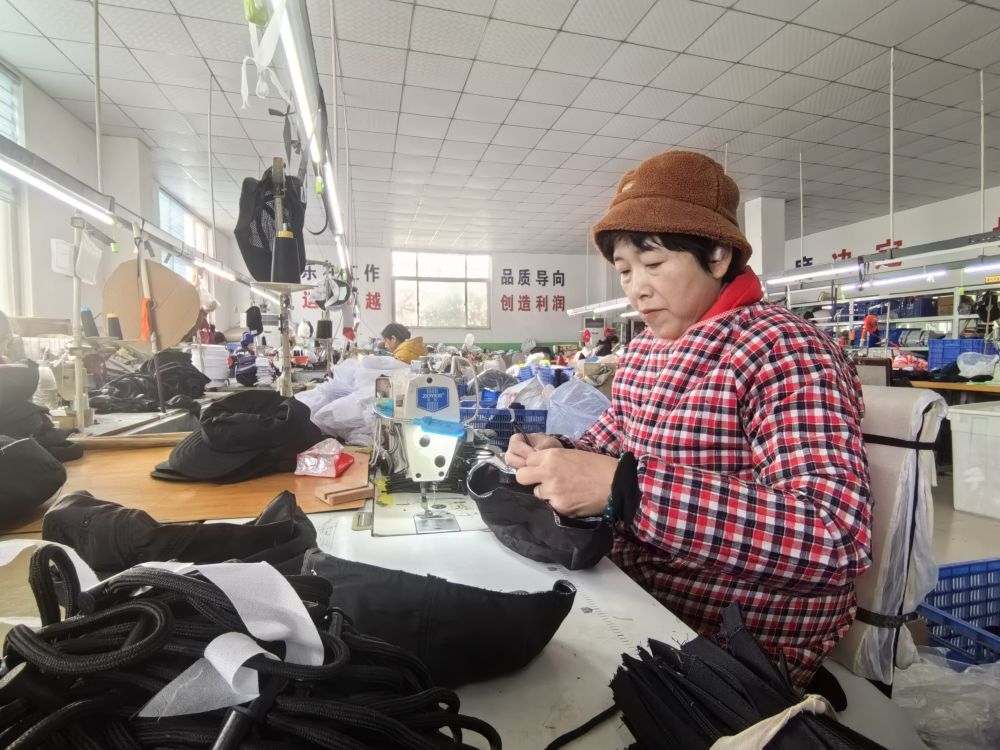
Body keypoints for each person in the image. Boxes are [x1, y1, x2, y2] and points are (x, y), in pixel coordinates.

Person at [505, 151, 871, 690]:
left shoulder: (784, 349)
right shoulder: (645, 352)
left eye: (653, 264)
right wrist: (555, 452)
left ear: (718, 255)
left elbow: (835, 535)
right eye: (624, 271)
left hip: (741, 636)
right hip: (639, 597)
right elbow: (615, 439)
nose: (636, 287)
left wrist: (627, 489)